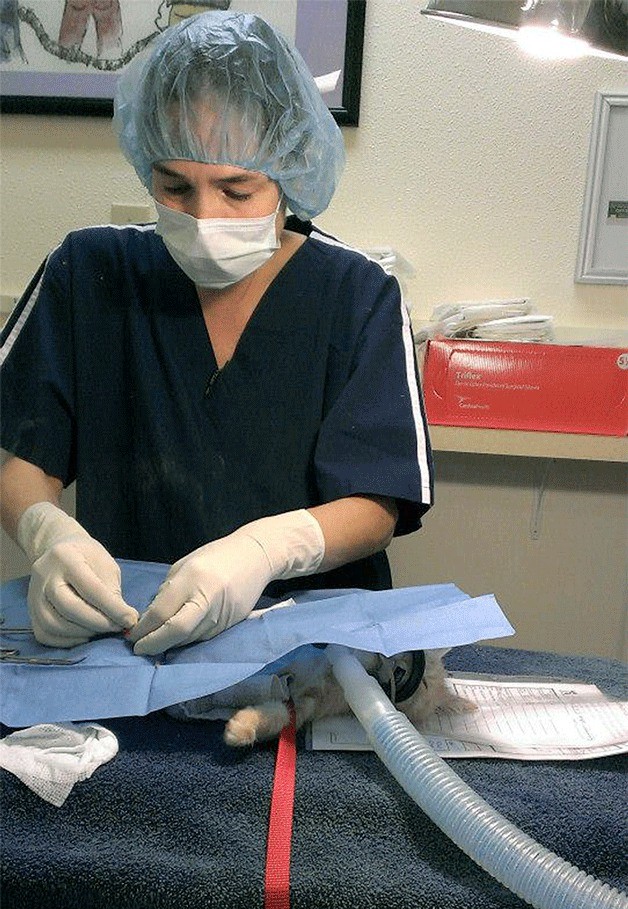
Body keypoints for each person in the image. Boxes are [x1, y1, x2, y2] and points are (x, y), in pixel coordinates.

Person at [0, 10, 433, 658]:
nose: (204, 217)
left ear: (289, 170)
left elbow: (378, 504)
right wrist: (47, 537)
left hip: (308, 658)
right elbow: (23, 456)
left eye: (236, 190)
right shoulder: (90, 273)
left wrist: (263, 550)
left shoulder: (356, 294)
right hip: (131, 641)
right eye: (175, 186)